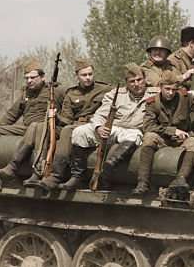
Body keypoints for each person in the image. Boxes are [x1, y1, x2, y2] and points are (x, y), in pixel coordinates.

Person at [55, 63, 153, 191]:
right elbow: (99, 115)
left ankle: (108, 167)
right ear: (126, 82)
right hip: (112, 128)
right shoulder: (116, 94)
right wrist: (99, 127)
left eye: (139, 80)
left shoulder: (154, 95)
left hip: (133, 131)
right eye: (132, 81)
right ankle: (77, 176)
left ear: (144, 79)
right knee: (80, 132)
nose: (136, 84)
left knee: (135, 135)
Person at [0, 60, 63, 191]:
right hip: (25, 128)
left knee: (36, 127)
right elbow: (11, 115)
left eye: (33, 77)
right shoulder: (26, 93)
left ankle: (34, 172)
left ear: (42, 77)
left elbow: (70, 108)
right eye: (27, 78)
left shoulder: (56, 90)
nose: (29, 81)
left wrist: (59, 119)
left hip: (44, 129)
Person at [25, 58, 110, 190]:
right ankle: (38, 171)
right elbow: (67, 119)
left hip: (93, 127)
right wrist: (56, 118)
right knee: (45, 127)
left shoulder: (105, 89)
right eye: (83, 75)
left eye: (90, 74)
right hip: (74, 124)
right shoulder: (71, 93)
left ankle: (55, 175)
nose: (88, 78)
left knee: (67, 131)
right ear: (76, 76)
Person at [132, 71, 194, 197]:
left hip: (181, 139)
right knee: (149, 137)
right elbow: (148, 126)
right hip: (162, 138)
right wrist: (173, 131)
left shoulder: (185, 98)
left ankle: (180, 179)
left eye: (173, 89)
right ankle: (143, 182)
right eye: (167, 89)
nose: (170, 93)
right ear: (160, 87)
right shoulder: (152, 103)